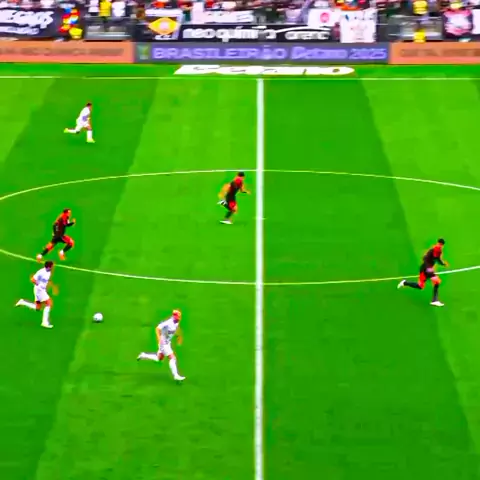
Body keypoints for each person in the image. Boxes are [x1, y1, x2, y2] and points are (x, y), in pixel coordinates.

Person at [137, 310, 186, 381]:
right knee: (172, 358)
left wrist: (179, 336)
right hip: (163, 343)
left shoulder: (176, 322)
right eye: (178, 317)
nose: (179, 318)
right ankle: (176, 375)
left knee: (159, 358)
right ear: (174, 316)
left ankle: (143, 355)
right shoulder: (168, 322)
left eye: (180, 316)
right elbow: (157, 328)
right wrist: (159, 339)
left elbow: (177, 328)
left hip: (167, 343)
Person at [398, 238, 448, 307]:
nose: (439, 245)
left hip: (426, 269)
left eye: (441, 245)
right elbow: (426, 258)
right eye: (439, 244)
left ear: (442, 245)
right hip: (426, 269)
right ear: (438, 243)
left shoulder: (438, 251)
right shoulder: (434, 250)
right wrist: (429, 268)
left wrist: (442, 263)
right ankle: (435, 300)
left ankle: (405, 283)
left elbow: (437, 259)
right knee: (437, 281)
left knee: (420, 286)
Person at [15, 261, 56, 329]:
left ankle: (22, 302)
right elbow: (32, 279)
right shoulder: (41, 272)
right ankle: (44, 322)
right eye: (52, 266)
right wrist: (40, 285)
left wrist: (50, 286)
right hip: (39, 290)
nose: (53, 267)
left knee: (38, 308)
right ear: (49, 267)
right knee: (49, 303)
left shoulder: (49, 272)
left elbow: (45, 281)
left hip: (41, 290)